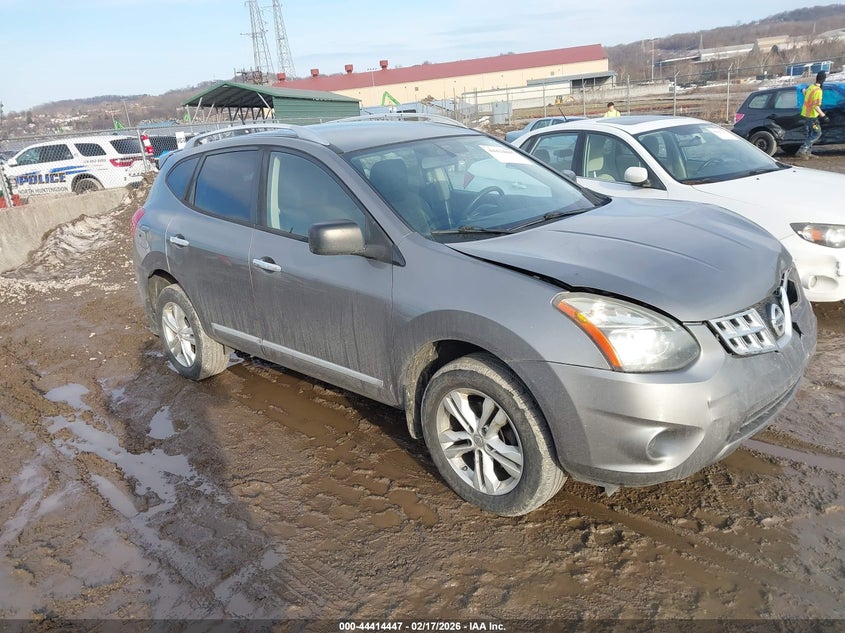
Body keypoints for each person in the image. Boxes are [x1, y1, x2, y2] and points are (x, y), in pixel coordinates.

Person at [797, 71, 827, 158]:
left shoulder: (811, 87)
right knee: (817, 133)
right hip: (812, 116)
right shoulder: (818, 91)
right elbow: (815, 106)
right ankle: (803, 149)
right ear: (823, 80)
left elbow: (805, 92)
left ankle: (808, 153)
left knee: (810, 134)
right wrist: (823, 116)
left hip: (806, 114)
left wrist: (802, 90)